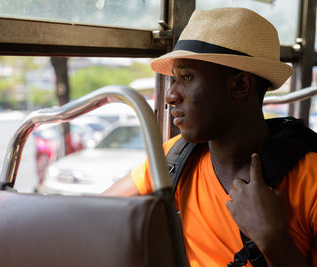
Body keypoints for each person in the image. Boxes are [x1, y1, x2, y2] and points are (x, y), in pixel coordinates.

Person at [103, 7, 317, 267]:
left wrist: (271, 238)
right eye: (173, 79)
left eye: (187, 77)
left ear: (240, 85)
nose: (171, 95)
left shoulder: (310, 180)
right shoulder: (175, 158)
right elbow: (94, 214)